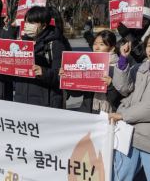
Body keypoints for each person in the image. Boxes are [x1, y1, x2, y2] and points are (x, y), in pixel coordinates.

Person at [109, 34, 150, 181]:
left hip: (146, 137)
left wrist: (122, 115)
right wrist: (123, 60)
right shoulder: (140, 67)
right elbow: (124, 88)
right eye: (149, 45)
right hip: (129, 135)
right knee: (120, 176)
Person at [10, 6, 66, 107]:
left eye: (32, 23)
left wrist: (43, 72)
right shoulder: (21, 44)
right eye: (26, 22)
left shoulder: (55, 44)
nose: (27, 25)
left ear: (44, 25)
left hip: (45, 102)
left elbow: (62, 75)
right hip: (21, 100)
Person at [62, 30, 123, 113]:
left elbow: (119, 98)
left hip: (108, 114)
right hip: (87, 113)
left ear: (112, 48)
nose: (96, 47)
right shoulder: (88, 64)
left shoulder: (119, 68)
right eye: (95, 44)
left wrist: (110, 85)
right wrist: (68, 79)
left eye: (102, 44)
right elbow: (77, 94)